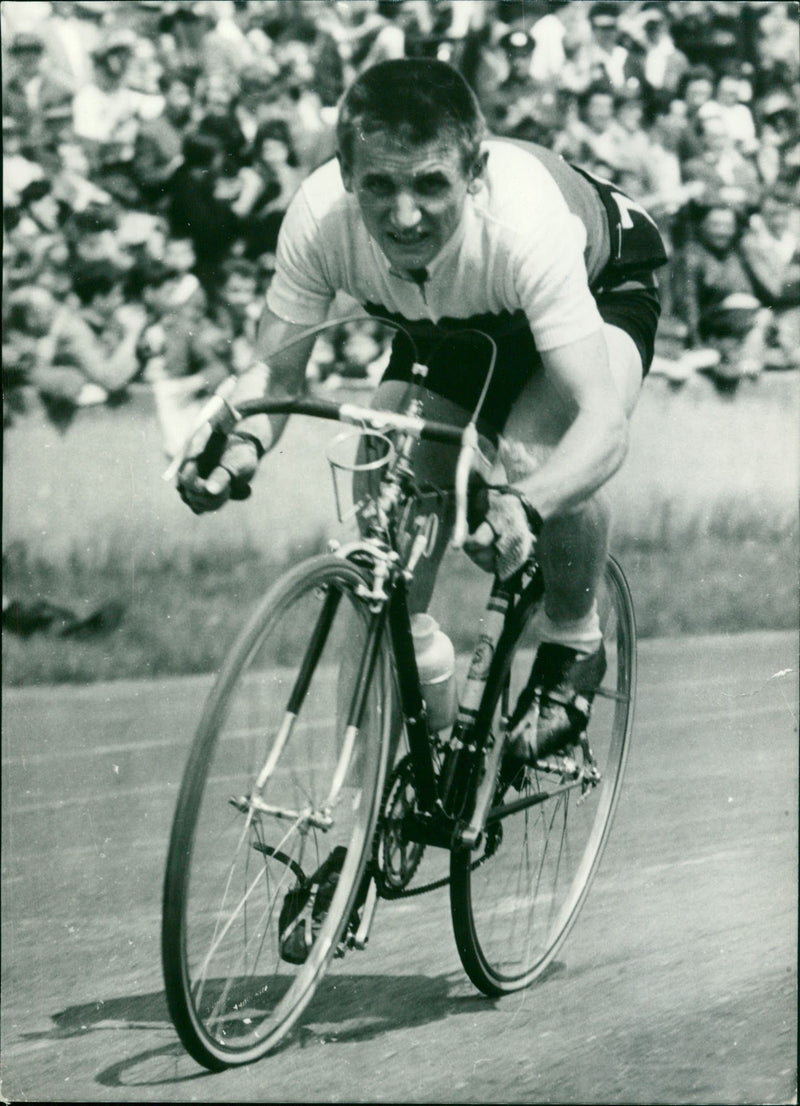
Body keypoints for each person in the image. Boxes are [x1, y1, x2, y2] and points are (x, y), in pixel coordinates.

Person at [176, 58, 666, 765]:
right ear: (346, 176)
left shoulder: (522, 224)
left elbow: (602, 423)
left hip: (595, 283)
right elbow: (274, 371)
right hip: (451, 317)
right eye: (378, 184)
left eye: (430, 183)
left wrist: (527, 504)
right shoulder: (318, 219)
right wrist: (243, 442)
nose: (404, 216)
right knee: (389, 486)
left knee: (534, 457)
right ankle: (410, 749)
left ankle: (575, 641)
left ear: (472, 173)